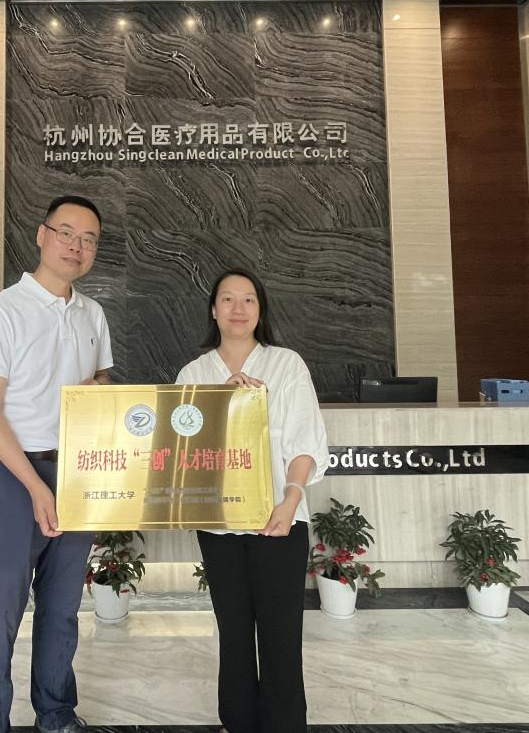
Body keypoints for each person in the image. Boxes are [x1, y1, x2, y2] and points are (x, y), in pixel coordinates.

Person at [0, 195, 112, 733]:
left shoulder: (93, 314)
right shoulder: (2, 310)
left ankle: (56, 713)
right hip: (10, 475)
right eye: (67, 233)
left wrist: (99, 390)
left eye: (88, 239)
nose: (77, 246)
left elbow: (100, 384)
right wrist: (35, 486)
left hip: (75, 474)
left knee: (62, 608)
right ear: (42, 235)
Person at [176, 267, 330, 733]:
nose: (238, 309)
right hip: (219, 525)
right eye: (228, 299)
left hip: (280, 519)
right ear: (213, 310)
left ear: (260, 310)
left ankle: (285, 724)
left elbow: (305, 442)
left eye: (248, 299)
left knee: (282, 634)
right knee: (234, 630)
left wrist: (290, 500)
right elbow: (181, 452)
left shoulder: (287, 364)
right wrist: (217, 406)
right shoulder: (193, 374)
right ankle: (238, 720)